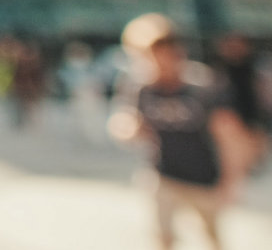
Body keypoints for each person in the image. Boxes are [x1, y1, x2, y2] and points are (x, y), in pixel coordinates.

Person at [109, 14, 257, 250]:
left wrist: (231, 181)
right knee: (163, 237)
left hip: (204, 177)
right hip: (164, 175)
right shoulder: (141, 87)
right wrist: (128, 129)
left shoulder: (202, 86)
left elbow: (229, 135)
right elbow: (125, 122)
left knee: (211, 238)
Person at [214, 32, 269, 168]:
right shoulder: (221, 72)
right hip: (233, 124)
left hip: (255, 122)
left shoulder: (256, 70)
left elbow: (263, 98)